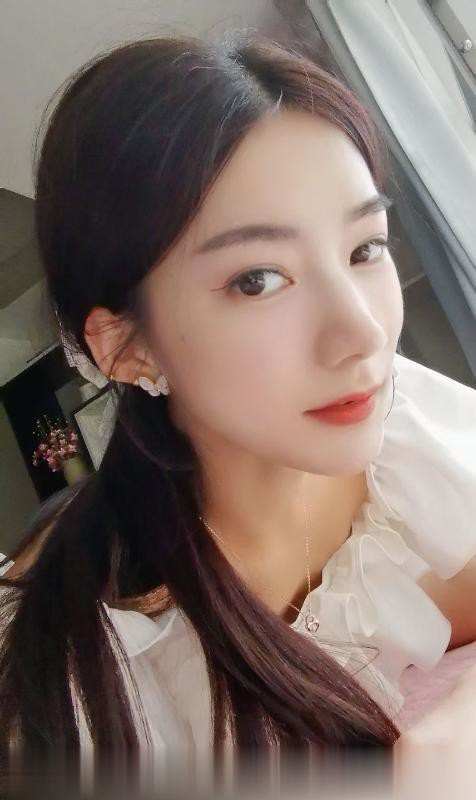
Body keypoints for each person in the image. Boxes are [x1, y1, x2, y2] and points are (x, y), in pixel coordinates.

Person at [1, 34, 476, 789]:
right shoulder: (92, 683)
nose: (361, 333)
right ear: (128, 347)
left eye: (365, 248)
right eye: (257, 280)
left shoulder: (411, 430)